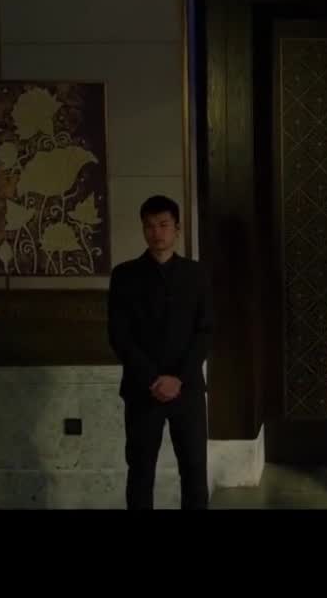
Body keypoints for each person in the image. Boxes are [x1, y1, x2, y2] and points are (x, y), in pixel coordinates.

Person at [108, 195, 214, 510]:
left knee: (194, 472)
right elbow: (119, 335)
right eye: (150, 226)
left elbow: (205, 331)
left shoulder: (196, 274)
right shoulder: (124, 275)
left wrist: (178, 378)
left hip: (187, 389)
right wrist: (153, 379)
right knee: (140, 472)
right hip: (143, 390)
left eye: (164, 225)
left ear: (177, 229)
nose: (156, 232)